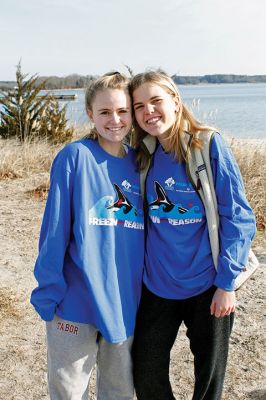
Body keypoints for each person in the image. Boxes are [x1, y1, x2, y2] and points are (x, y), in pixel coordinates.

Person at [129, 70, 256, 400]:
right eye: (139, 105)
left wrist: (227, 284)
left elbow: (238, 216)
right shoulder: (142, 153)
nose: (148, 111)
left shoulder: (208, 144)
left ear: (175, 100)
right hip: (157, 285)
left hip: (208, 284)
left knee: (209, 379)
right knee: (145, 372)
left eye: (156, 100)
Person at [30, 72, 144, 400]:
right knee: (68, 393)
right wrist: (49, 293)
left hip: (124, 304)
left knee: (119, 393)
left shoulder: (142, 164)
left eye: (123, 111)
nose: (115, 119)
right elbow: (54, 232)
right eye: (105, 112)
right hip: (75, 302)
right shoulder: (75, 157)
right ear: (91, 114)